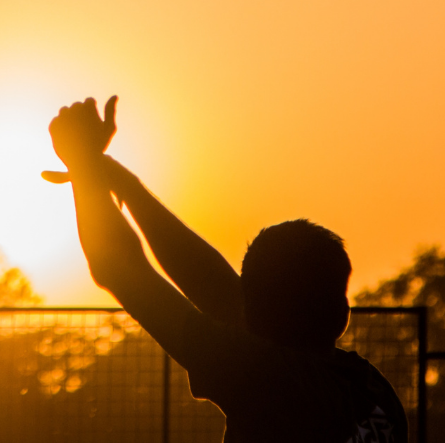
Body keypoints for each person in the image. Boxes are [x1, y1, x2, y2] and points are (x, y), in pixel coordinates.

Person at [42, 97, 407, 443]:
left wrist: (83, 161)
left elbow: (120, 270)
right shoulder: (371, 390)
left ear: (254, 310)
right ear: (341, 313)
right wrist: (117, 180)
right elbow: (213, 286)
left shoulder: (267, 379)